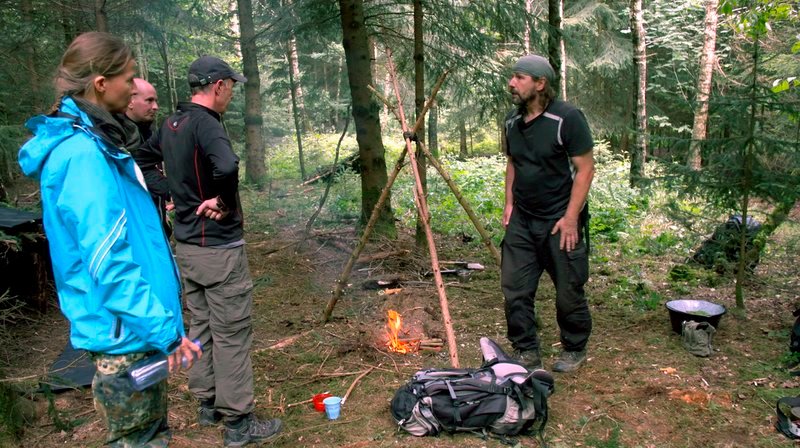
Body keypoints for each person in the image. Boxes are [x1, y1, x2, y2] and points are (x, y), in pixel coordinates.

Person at [17, 32, 201, 446]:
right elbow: (108, 261)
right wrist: (166, 331)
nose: (135, 87)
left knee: (148, 434)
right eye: (130, 77)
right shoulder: (83, 155)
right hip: (128, 333)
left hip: (133, 328)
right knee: (140, 440)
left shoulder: (97, 144)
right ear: (101, 83)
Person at [135, 55, 283, 447]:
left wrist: (176, 196)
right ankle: (239, 423)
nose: (230, 95)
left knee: (200, 324)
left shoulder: (171, 122)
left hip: (186, 247)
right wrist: (221, 200)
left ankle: (206, 403)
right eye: (230, 88)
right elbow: (227, 166)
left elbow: (141, 160)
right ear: (217, 85)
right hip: (218, 249)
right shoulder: (206, 124)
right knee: (232, 332)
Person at [501, 54, 595, 373]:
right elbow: (513, 162)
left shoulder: (567, 118)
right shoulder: (511, 122)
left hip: (559, 219)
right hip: (523, 220)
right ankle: (526, 350)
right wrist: (509, 203)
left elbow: (585, 169)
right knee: (514, 287)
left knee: (568, 290)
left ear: (540, 84)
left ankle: (574, 347)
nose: (512, 84)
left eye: (520, 78)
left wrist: (571, 218)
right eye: (512, 77)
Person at [126, 77, 173, 237]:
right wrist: (174, 192)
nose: (155, 107)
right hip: (137, 228)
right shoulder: (120, 137)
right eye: (149, 101)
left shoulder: (148, 133)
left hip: (155, 223)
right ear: (130, 102)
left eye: (156, 101)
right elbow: (138, 173)